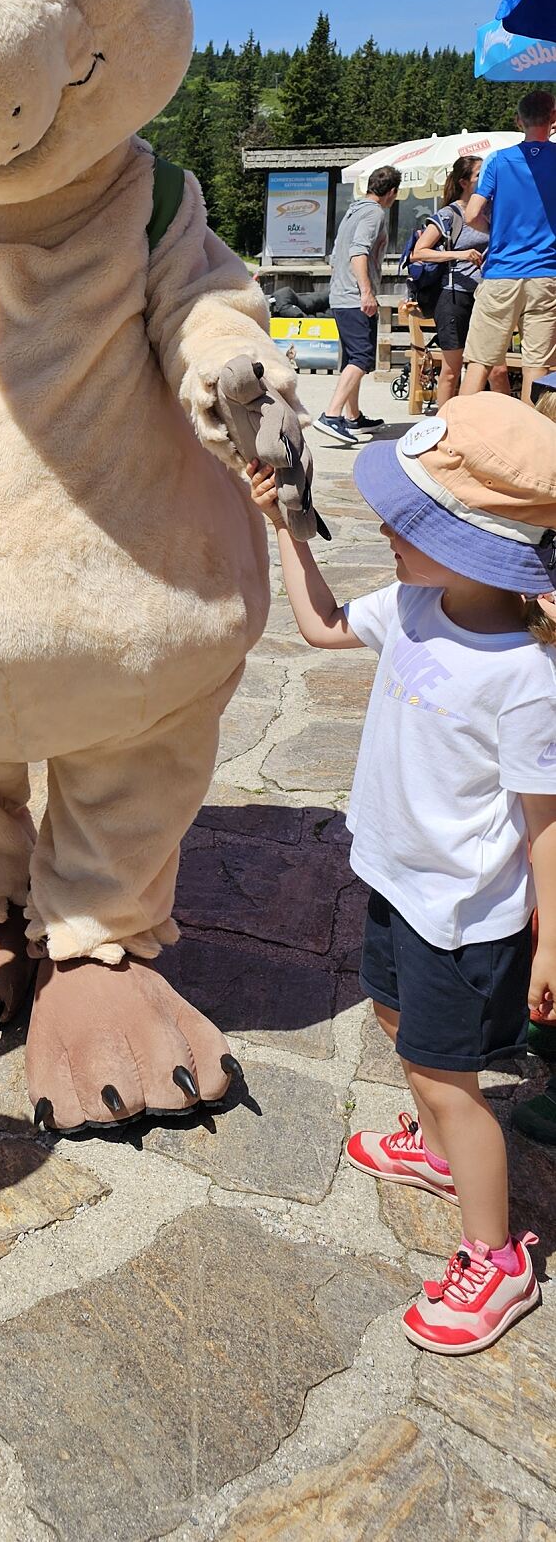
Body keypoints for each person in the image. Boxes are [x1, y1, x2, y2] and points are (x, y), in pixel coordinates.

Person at [248, 394, 555, 1355]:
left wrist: (552, 940)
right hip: (395, 877)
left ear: (479, 549)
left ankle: (496, 1258)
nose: (385, 528)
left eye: (409, 523)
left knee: (448, 1073)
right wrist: (287, 529)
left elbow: (547, 828)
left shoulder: (528, 677)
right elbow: (323, 626)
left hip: (464, 915)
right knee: (393, 1019)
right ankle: (435, 1140)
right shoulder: (415, 603)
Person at [461, 88, 556, 404]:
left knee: (480, 362)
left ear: (518, 120)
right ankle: (531, 446)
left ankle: (454, 437)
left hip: (502, 272)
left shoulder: (499, 160)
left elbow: (472, 213)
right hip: (546, 275)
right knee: (538, 367)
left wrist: (496, 229)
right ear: (553, 118)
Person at [315, 166, 400, 445]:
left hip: (339, 294)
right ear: (391, 193)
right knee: (362, 358)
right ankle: (331, 415)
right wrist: (366, 292)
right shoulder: (374, 213)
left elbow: (338, 251)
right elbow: (358, 252)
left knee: (353, 359)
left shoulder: (353, 210)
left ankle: (352, 418)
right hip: (354, 297)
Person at [408, 157, 503, 406]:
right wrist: (459, 254)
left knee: (497, 370)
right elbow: (418, 252)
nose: (487, 177)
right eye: (479, 174)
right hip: (454, 295)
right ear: (464, 182)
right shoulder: (450, 214)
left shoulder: (494, 210)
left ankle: (503, 423)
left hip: (487, 295)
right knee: (452, 370)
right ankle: (444, 427)